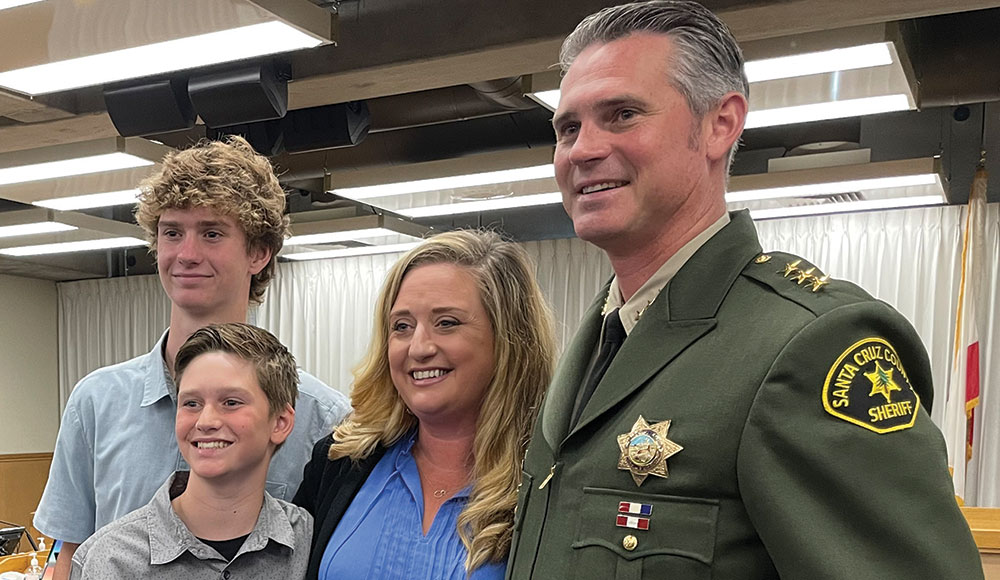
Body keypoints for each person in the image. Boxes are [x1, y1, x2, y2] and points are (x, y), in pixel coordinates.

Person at [506, 2, 985, 579]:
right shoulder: (600, 339)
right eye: (567, 128)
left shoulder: (808, 345)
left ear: (720, 124)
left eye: (623, 114)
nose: (582, 149)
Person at [35, 136, 351, 580]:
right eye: (172, 233)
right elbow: (67, 560)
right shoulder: (97, 402)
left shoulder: (322, 416)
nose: (185, 254)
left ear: (259, 253)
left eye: (212, 233)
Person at [294, 230, 557, 579]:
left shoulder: (550, 482)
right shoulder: (341, 461)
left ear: (509, 338)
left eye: (446, 323)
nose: (418, 347)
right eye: (401, 326)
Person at [70, 323, 312, 579]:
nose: (206, 421)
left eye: (231, 402)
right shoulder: (111, 559)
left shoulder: (308, 542)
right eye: (191, 403)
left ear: (280, 423)